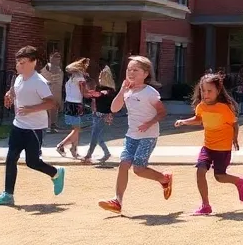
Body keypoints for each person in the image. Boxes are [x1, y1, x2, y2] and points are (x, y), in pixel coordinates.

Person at [0, 46, 64, 206]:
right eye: (18, 63)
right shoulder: (18, 78)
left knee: (32, 162)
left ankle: (56, 173)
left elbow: (52, 103)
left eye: (22, 63)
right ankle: (8, 195)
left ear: (33, 62)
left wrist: (30, 109)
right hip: (18, 126)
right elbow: (16, 91)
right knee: (11, 159)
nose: (18, 66)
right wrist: (9, 95)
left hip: (34, 129)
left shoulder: (39, 82)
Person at [98, 55, 172, 214]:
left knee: (138, 169)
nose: (131, 73)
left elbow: (162, 112)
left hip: (148, 135)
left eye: (135, 70)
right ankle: (117, 201)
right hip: (131, 135)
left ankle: (164, 179)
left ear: (145, 73)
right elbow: (114, 109)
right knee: (123, 164)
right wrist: (122, 90)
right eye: (129, 69)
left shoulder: (150, 93)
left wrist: (149, 123)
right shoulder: (127, 91)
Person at [175, 72, 243, 215]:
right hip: (208, 146)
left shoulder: (224, 108)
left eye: (209, 91)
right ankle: (205, 205)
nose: (206, 94)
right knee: (200, 171)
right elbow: (198, 119)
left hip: (222, 148)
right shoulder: (201, 106)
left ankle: (240, 181)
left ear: (218, 91)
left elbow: (235, 124)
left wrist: (235, 139)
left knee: (219, 177)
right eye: (203, 90)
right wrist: (184, 121)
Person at [82, 66, 118, 165]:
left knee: (95, 136)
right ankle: (106, 153)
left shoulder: (108, 91)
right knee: (98, 136)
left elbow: (98, 95)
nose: (99, 79)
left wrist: (85, 87)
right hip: (98, 115)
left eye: (100, 78)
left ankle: (88, 155)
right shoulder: (106, 90)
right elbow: (94, 96)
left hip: (102, 116)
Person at [57, 58, 90, 159]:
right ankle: (61, 145)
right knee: (77, 129)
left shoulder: (70, 79)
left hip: (68, 103)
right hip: (76, 104)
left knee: (75, 128)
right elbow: (84, 93)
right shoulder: (81, 79)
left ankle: (74, 150)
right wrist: (94, 94)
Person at [41, 51, 64, 134]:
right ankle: (48, 127)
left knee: (55, 109)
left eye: (59, 57)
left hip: (57, 91)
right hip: (49, 92)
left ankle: (53, 124)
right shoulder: (49, 66)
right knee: (49, 110)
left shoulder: (58, 68)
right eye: (55, 57)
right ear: (51, 58)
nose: (58, 59)